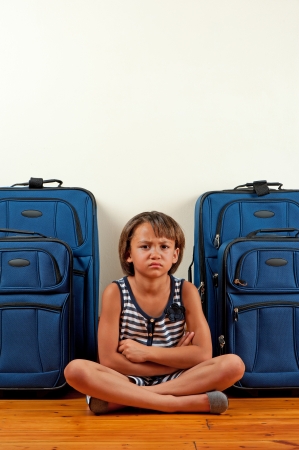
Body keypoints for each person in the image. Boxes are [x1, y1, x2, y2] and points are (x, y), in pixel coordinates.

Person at [64, 211, 245, 414]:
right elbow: (108, 360)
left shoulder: (186, 291)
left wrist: (147, 353)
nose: (155, 254)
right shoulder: (115, 292)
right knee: (76, 370)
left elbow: (203, 354)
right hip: (126, 377)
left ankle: (130, 399)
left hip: (180, 378)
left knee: (233, 364)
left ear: (175, 254)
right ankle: (174, 403)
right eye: (145, 246)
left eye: (164, 247)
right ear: (128, 254)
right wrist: (173, 360)